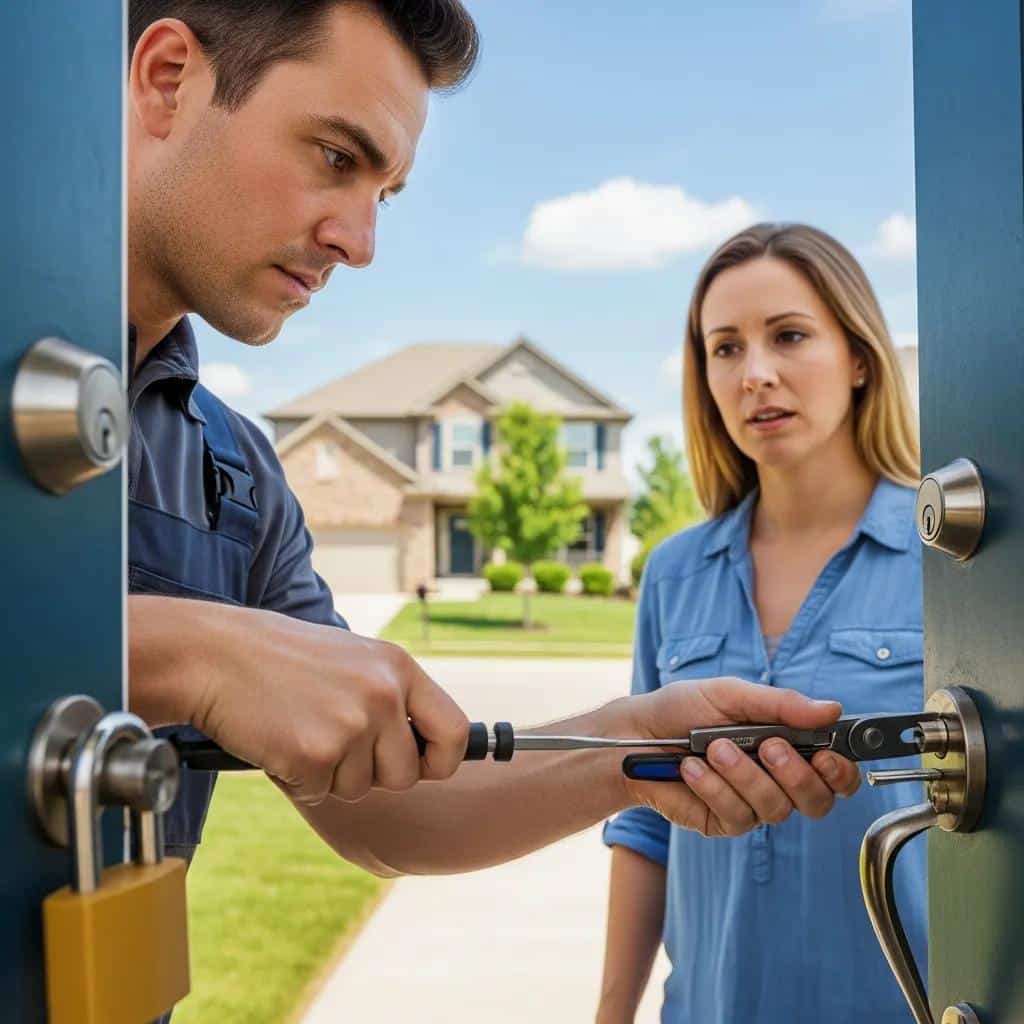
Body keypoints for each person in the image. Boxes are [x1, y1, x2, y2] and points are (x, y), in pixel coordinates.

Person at [124, 5, 862, 1015]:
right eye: (336, 155)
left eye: (385, 191)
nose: (363, 239)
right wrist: (186, 655)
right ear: (168, 79)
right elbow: (204, 663)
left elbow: (386, 808)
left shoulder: (235, 475)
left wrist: (630, 745)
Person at [597, 223, 925, 1023]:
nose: (757, 374)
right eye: (726, 348)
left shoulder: (952, 565)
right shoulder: (675, 573)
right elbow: (644, 821)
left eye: (788, 336)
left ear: (858, 357)